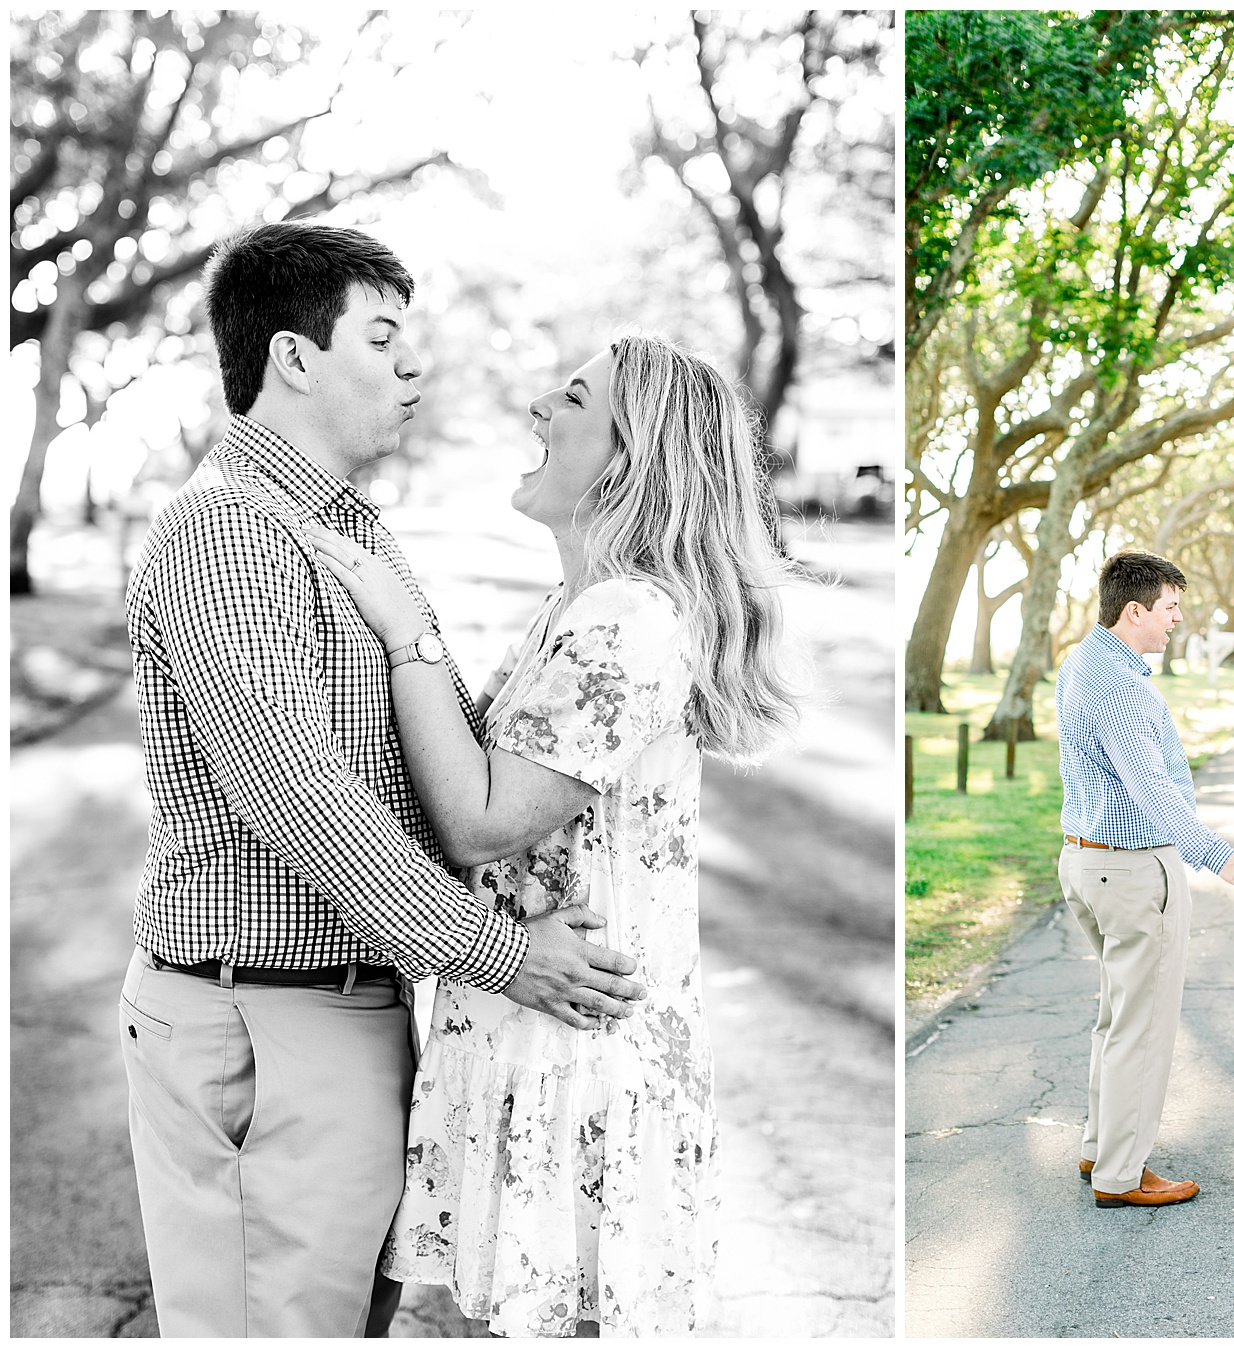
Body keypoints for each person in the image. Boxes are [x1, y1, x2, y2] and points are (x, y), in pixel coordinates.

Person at [118, 222, 646, 1338]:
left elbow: (451, 765)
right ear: (294, 359)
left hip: (348, 1013)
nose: (417, 366)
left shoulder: (344, 529)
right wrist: (513, 957)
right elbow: (309, 802)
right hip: (258, 1013)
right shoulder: (226, 539)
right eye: (384, 336)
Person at [308, 333, 803, 1336]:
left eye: (570, 399)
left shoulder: (631, 621)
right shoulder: (574, 607)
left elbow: (483, 819)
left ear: (630, 456)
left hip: (577, 1059)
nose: (538, 406)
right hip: (531, 1031)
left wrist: (408, 631)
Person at [1055, 550, 1234, 1209]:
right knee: (1142, 1027)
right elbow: (1150, 788)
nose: (1178, 619)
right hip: (1130, 871)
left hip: (1089, 862)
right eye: (1170, 608)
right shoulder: (1120, 687)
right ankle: (1121, 1176)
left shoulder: (1087, 662)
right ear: (1135, 612)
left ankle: (1100, 1148)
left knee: (1116, 1017)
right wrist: (1218, 856)